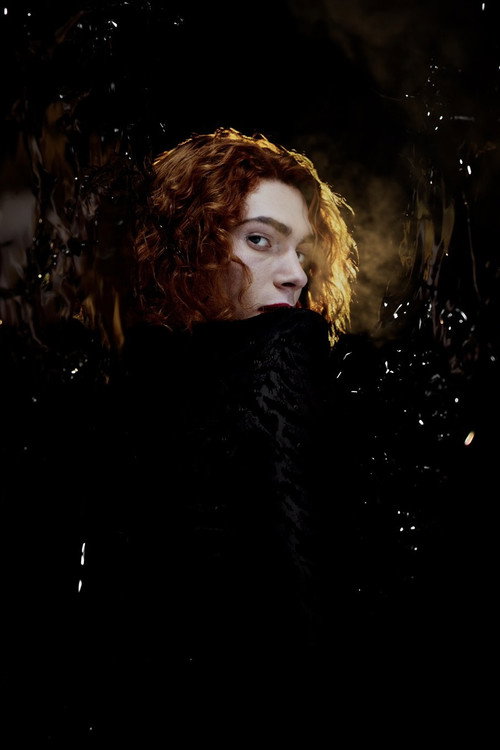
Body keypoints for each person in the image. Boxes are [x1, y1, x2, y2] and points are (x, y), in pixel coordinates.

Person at [76, 127, 357, 734]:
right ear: (187, 246)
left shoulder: (115, 384)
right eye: (260, 240)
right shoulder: (284, 353)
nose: (296, 275)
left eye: (303, 253)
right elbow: (321, 627)